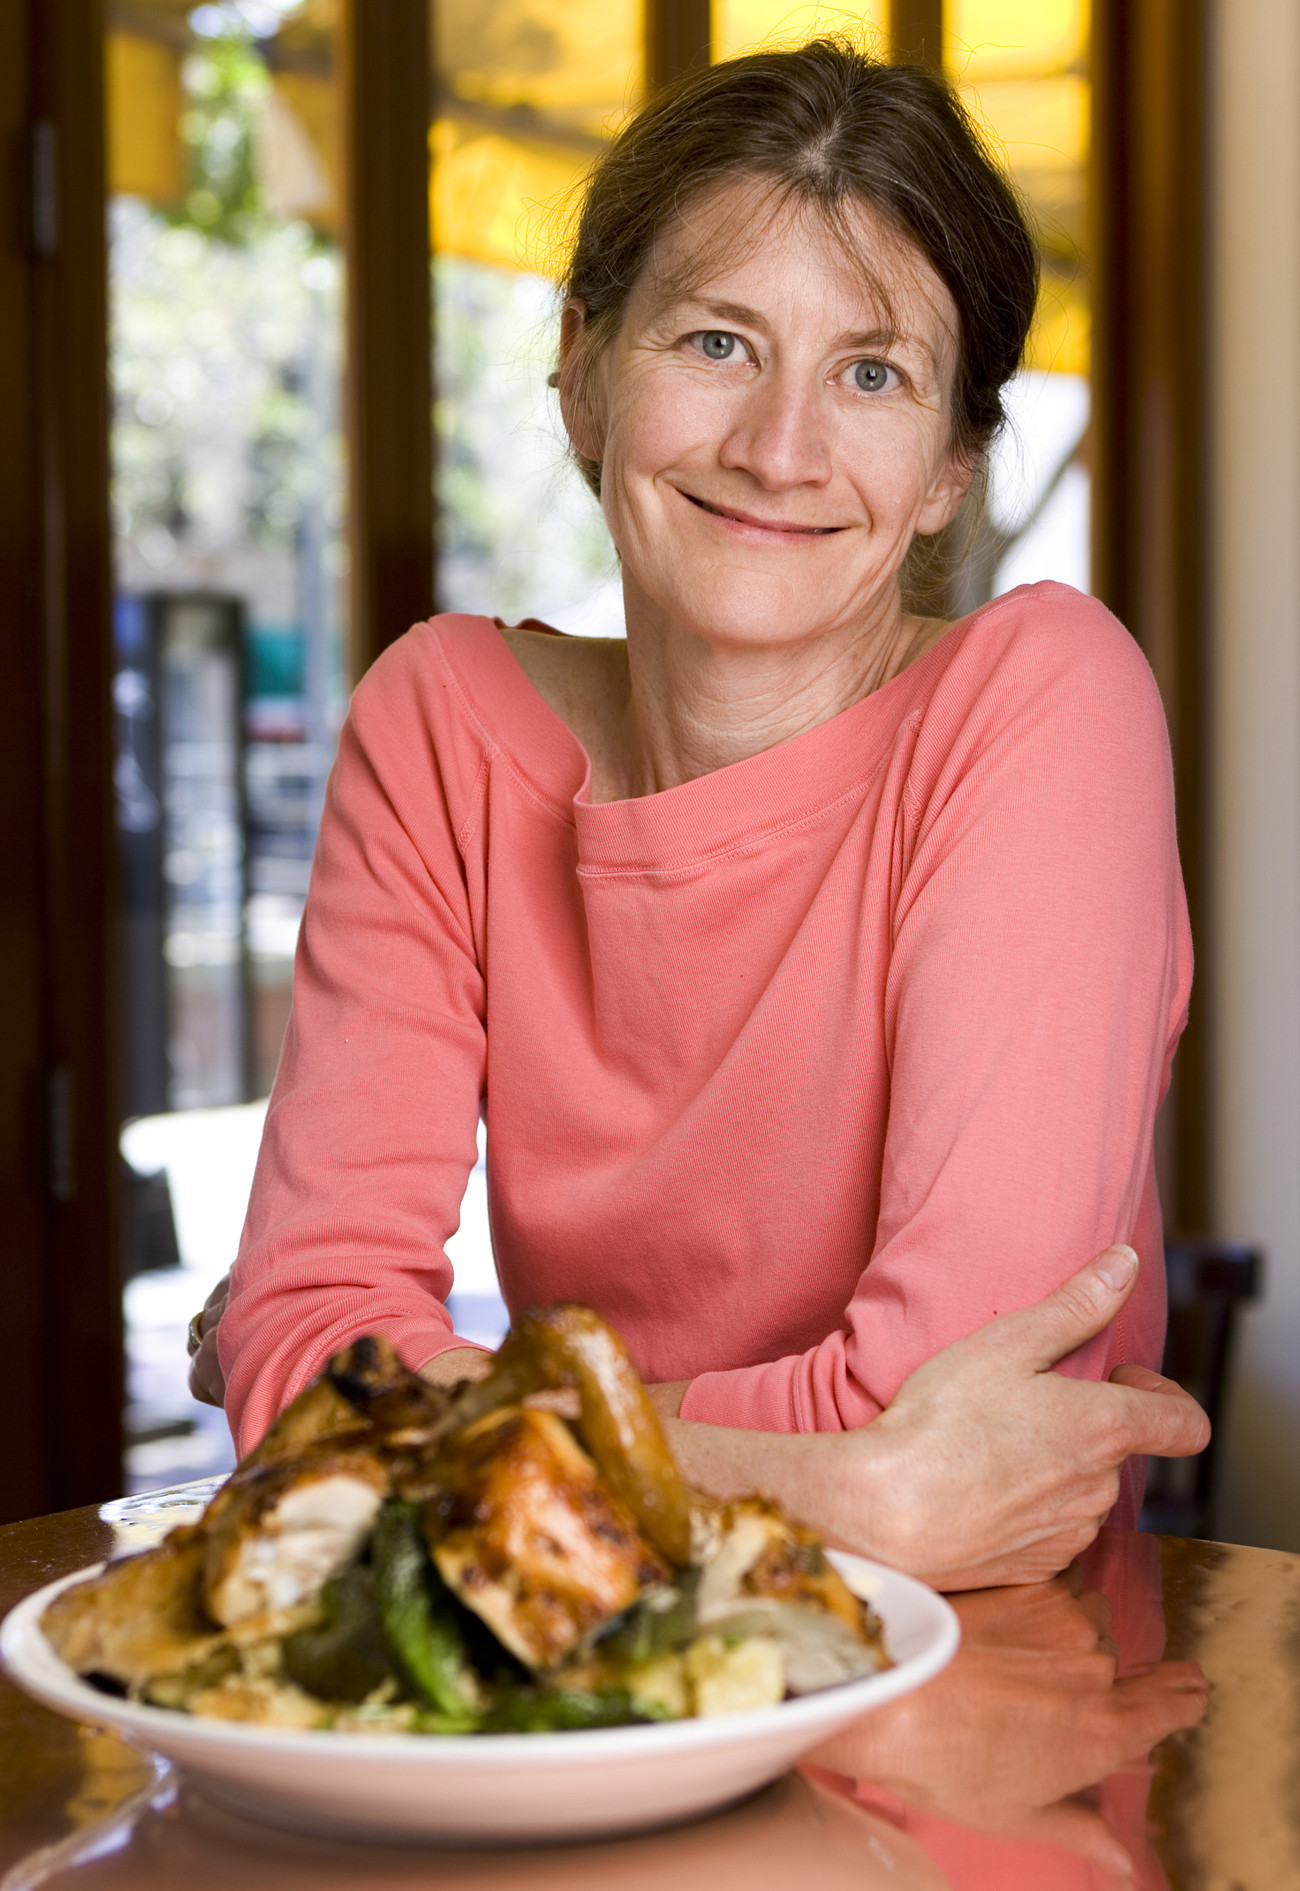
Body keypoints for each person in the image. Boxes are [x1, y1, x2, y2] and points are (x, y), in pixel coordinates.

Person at [192, 41, 1208, 1589]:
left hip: (979, 1679)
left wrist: (423, 1414)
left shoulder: (1045, 705)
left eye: (872, 375)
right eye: (719, 342)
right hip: (566, 1651)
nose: (778, 450)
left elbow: (951, 1404)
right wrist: (842, 1488)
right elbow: (310, 1336)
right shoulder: (441, 724)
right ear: (584, 372)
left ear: (951, 467)